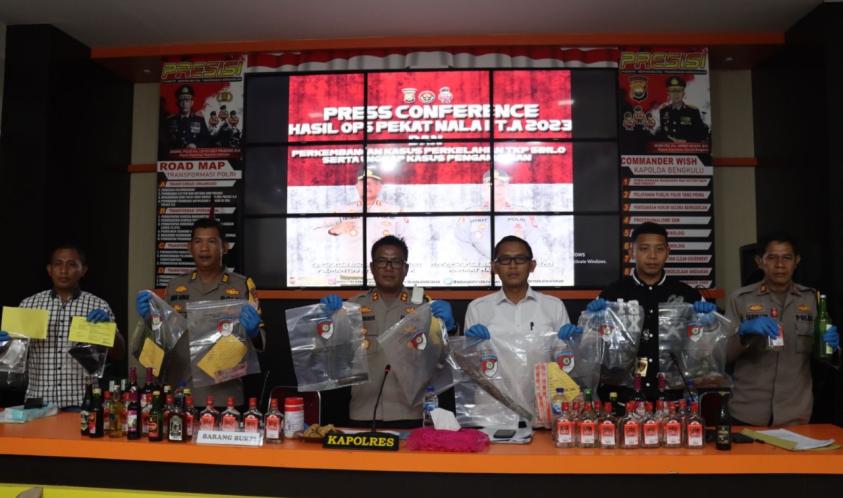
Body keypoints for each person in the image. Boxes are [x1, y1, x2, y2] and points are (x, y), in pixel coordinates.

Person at [320, 235, 456, 427]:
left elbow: (444, 357)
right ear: (372, 267)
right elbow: (332, 357)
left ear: (405, 268)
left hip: (411, 412)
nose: (389, 268)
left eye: (396, 262)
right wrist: (326, 321)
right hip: (364, 411)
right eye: (382, 261)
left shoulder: (425, 307)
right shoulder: (352, 307)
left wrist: (450, 328)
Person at [135, 218, 264, 406]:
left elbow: (262, 341)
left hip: (224, 395)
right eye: (198, 241)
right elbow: (163, 338)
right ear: (190, 247)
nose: (204, 248)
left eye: (211, 241)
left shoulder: (242, 285)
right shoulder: (174, 286)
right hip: (178, 392)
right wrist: (149, 319)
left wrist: (254, 333)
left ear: (225, 247)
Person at [579, 222, 709, 403]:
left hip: (673, 397)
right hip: (622, 397)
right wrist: (592, 323)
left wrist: (709, 324)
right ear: (632, 252)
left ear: (668, 252)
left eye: (659, 249)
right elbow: (591, 348)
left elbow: (705, 351)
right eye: (644, 249)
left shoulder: (688, 295)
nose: (652, 256)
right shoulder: (612, 294)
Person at [725, 232, 839, 426]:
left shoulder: (811, 299)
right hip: (747, 411)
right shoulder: (740, 299)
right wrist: (743, 332)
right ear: (760, 262)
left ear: (796, 261)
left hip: (795, 414)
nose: (780, 264)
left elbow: (823, 358)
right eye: (772, 257)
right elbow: (723, 356)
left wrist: (832, 348)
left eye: (787, 257)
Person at [463, 235, 574, 424]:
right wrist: (470, 347)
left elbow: (565, 364)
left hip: (542, 411)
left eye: (520, 259)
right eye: (505, 260)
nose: (513, 266)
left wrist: (575, 344)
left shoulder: (553, 306)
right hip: (491, 413)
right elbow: (470, 368)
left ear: (532, 265)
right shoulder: (477, 308)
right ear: (494, 266)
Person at [0, 245, 125, 408]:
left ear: (83, 270)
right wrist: (5, 344)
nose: (64, 270)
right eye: (58, 264)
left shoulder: (98, 305)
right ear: (49, 270)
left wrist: (109, 330)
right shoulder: (29, 305)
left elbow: (119, 354)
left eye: (72, 264)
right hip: (38, 402)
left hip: (81, 402)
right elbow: (14, 357)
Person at [657, 76, 709, 142]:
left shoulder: (693, 111)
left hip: (687, 147)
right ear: (668, 93)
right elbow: (663, 133)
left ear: (683, 93)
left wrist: (685, 141)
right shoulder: (663, 111)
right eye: (672, 91)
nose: (676, 94)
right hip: (668, 147)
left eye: (679, 91)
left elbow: (701, 134)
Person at [162, 84, 210, 150]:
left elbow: (206, 138)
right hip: (175, 154)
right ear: (177, 103)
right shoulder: (169, 121)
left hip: (193, 154)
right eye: (182, 100)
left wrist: (196, 145)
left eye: (187, 100)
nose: (184, 104)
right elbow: (164, 140)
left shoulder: (199, 120)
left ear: (192, 103)